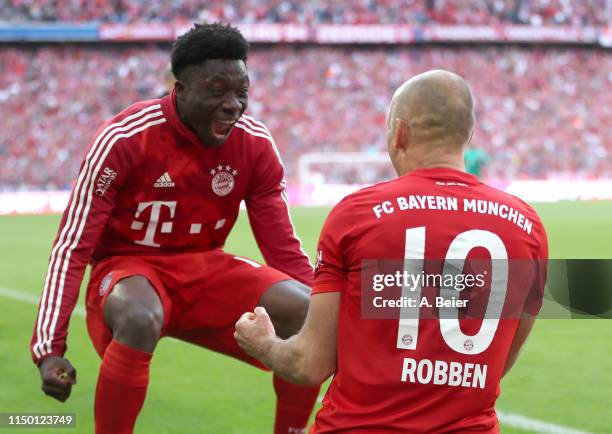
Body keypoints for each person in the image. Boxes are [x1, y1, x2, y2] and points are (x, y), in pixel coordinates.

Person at [31, 23, 320, 434]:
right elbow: (73, 246)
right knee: (139, 314)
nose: (233, 105)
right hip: (130, 268)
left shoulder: (254, 144)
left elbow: (284, 249)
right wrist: (48, 349)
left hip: (206, 269)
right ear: (180, 90)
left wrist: (329, 322)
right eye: (217, 91)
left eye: (242, 92)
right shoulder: (124, 139)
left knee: (306, 310)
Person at [235, 70, 548, 433]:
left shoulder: (357, 214)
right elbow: (502, 358)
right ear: (468, 135)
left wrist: (264, 343)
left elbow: (309, 365)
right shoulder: (528, 226)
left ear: (399, 132)